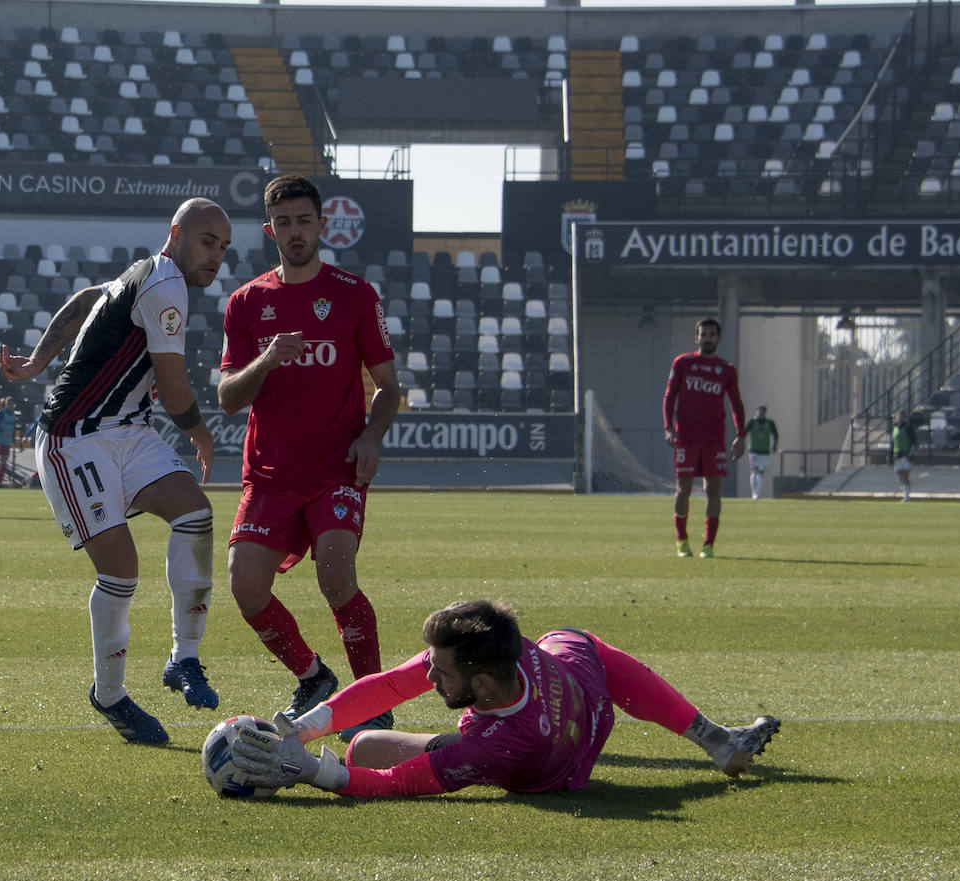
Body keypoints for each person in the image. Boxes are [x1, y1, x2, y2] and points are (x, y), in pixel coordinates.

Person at [0, 197, 232, 745]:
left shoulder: (142, 275)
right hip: (74, 439)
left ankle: (184, 659)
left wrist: (36, 361)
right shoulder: (165, 283)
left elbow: (86, 300)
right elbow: (174, 391)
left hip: (129, 433)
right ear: (175, 234)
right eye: (206, 242)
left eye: (223, 247)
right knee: (122, 569)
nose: (216, 256)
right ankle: (110, 696)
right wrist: (199, 432)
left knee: (195, 514)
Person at [229, 599, 780, 799]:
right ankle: (714, 738)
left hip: (543, 762)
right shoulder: (505, 656)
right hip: (582, 692)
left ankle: (717, 739)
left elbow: (400, 785)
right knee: (577, 639)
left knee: (365, 751)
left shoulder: (493, 745)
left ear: (482, 686)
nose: (429, 678)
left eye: (441, 674)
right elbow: (392, 684)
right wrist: (306, 728)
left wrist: (312, 772)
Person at [218, 174, 403, 741]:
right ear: (268, 228)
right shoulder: (247, 303)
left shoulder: (355, 295)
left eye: (305, 221)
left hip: (335, 470)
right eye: (284, 222)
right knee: (244, 584)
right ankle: (313, 676)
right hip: (270, 474)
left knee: (335, 570)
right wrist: (267, 361)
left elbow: (390, 388)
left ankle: (372, 702)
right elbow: (228, 397)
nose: (295, 232)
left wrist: (370, 437)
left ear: (322, 226)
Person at [662, 317, 745, 557]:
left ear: (718, 338)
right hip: (687, 436)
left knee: (713, 490)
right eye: (703, 334)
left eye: (712, 334)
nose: (708, 338)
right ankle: (682, 540)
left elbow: (736, 404)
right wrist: (668, 427)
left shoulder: (726, 370)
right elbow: (669, 397)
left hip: (714, 438)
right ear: (696, 337)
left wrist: (740, 435)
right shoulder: (683, 363)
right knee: (683, 489)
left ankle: (708, 544)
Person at [743, 404, 779, 500]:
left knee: (761, 473)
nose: (761, 413)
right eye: (759, 411)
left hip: (765, 451)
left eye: (763, 411)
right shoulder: (752, 422)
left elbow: (775, 434)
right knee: (754, 470)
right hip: (754, 450)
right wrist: (741, 444)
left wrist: (774, 446)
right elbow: (744, 433)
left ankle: (758, 491)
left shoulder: (769, 423)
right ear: (757, 411)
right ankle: (754, 493)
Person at [891, 410, 916, 502]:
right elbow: (892, 443)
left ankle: (906, 495)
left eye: (901, 417)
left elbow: (913, 442)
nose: (899, 419)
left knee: (905, 474)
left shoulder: (908, 428)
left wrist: (911, 454)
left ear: (905, 418)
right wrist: (890, 455)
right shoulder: (895, 428)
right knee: (899, 473)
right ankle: (905, 492)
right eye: (898, 417)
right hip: (897, 454)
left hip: (906, 454)